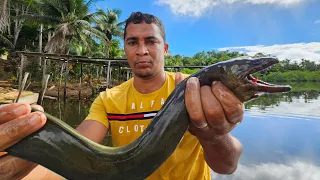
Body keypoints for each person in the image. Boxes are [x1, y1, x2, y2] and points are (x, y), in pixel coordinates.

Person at [0, 12, 244, 180]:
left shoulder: (192, 90)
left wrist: (213, 136)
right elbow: (79, 151)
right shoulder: (109, 99)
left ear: (165, 49)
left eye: (151, 41)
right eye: (132, 42)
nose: (142, 51)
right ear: (125, 47)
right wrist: (33, 147)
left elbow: (228, 165)